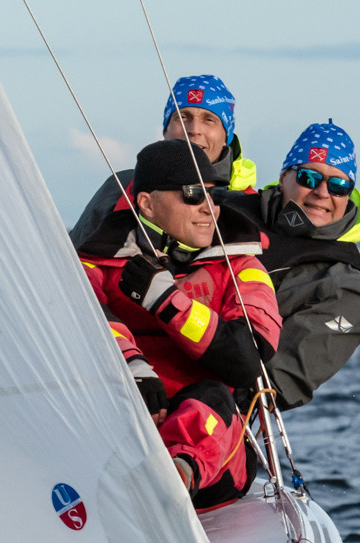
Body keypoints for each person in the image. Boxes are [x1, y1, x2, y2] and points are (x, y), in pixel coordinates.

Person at [77, 140, 281, 508]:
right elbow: (77, 313)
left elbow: (249, 358)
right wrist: (132, 364)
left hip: (213, 453)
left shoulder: (243, 269)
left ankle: (172, 483)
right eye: (192, 195)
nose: (209, 208)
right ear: (146, 204)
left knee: (211, 399)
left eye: (215, 195)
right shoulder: (95, 263)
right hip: (120, 428)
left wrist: (169, 304)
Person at [248, 121, 360, 410]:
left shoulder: (345, 284)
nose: (322, 192)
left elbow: (278, 381)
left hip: (215, 392)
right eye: (309, 177)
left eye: (339, 186)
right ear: (284, 178)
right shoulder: (229, 210)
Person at [68, 75, 259, 251]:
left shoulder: (249, 205)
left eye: (209, 120)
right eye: (182, 117)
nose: (193, 130)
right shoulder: (122, 185)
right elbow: (75, 261)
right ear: (165, 129)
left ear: (227, 135)